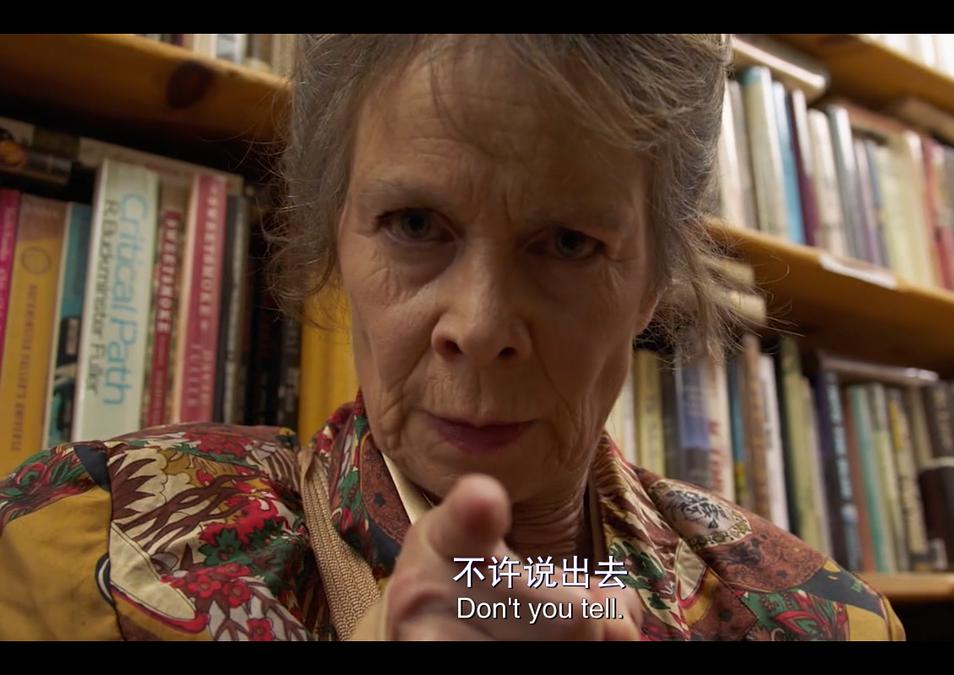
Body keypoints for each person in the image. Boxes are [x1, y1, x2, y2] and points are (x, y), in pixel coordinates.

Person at [0, 34, 904, 641]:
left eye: (567, 243)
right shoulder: (84, 552)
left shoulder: (825, 621)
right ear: (337, 236)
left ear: (652, 285)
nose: (479, 326)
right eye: (414, 225)